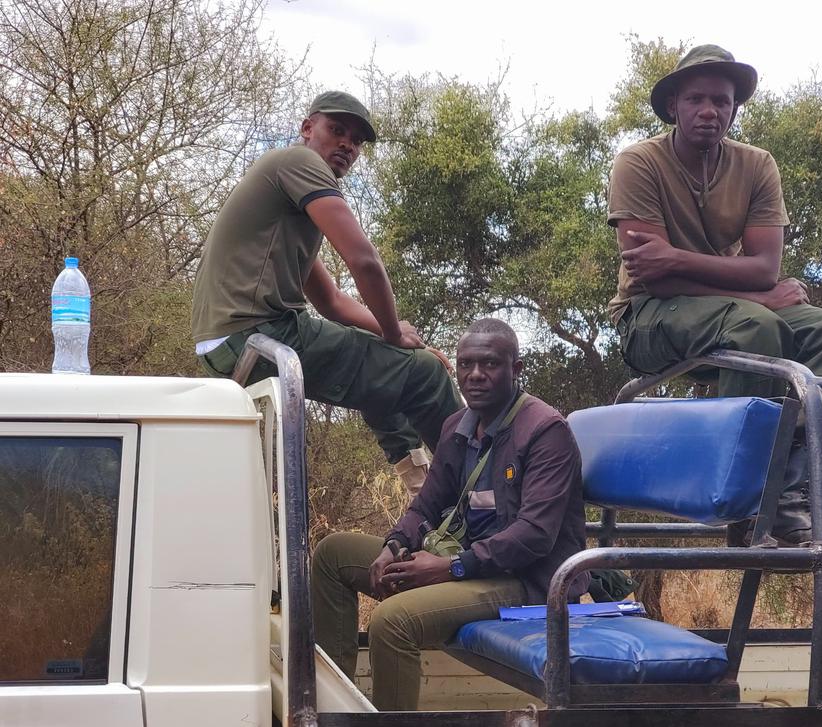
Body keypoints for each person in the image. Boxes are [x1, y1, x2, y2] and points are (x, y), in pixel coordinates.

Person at [607, 45, 822, 545]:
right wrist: (754, 294)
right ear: (673, 105)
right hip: (648, 315)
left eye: (721, 101)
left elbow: (766, 268)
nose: (709, 111)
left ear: (734, 108)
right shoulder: (638, 164)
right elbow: (654, 278)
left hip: (735, 310)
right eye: (696, 99)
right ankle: (739, 502)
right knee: (756, 325)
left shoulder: (757, 165)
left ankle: (790, 491)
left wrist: (680, 258)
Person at [191, 91, 462, 494]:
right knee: (425, 375)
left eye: (355, 141)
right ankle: (482, 493)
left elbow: (332, 301)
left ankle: (422, 486)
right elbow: (363, 260)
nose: (347, 145)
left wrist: (396, 336)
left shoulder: (286, 205)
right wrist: (393, 334)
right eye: (336, 130)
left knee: (385, 372)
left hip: (229, 344)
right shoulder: (300, 163)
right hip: (259, 335)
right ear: (307, 128)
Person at [311, 318, 589, 711]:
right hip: (469, 565)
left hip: (529, 581)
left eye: (489, 364)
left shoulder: (545, 430)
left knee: (392, 621)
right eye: (464, 365)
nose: (475, 375)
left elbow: (534, 535)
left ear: (516, 368)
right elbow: (427, 503)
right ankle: (334, 709)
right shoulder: (457, 427)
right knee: (333, 554)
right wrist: (395, 544)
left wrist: (451, 568)